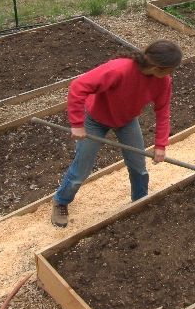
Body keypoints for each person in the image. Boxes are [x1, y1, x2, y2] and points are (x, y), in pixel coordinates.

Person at [51, 40, 183, 228]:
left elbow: (163, 111)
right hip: (95, 120)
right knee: (82, 169)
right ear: (158, 67)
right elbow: (78, 86)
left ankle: (140, 200)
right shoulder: (119, 69)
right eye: (171, 69)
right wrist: (77, 124)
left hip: (126, 120)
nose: (171, 73)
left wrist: (161, 145)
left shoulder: (163, 81)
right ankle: (61, 201)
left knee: (138, 166)